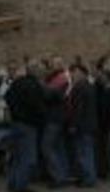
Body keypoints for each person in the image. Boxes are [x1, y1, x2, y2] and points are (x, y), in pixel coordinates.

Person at [5, 63, 46, 192]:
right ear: (36, 72)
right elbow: (37, 106)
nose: (43, 73)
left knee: (17, 156)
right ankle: (20, 186)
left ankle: (13, 183)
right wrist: (41, 117)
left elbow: (7, 97)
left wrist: (15, 111)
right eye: (41, 71)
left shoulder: (17, 83)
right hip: (28, 125)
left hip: (16, 123)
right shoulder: (34, 85)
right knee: (28, 158)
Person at [42, 56, 70, 188]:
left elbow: (53, 95)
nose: (51, 66)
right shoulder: (54, 78)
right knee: (59, 148)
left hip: (55, 118)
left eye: (55, 64)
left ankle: (57, 177)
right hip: (57, 118)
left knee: (47, 147)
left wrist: (43, 87)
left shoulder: (61, 79)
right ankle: (62, 175)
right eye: (52, 63)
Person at [69, 64, 97, 188]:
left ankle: (87, 179)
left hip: (82, 125)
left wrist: (73, 124)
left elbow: (78, 108)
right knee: (87, 152)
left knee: (83, 153)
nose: (72, 75)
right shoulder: (89, 86)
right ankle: (88, 177)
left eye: (75, 72)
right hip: (89, 124)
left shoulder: (79, 87)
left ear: (81, 73)